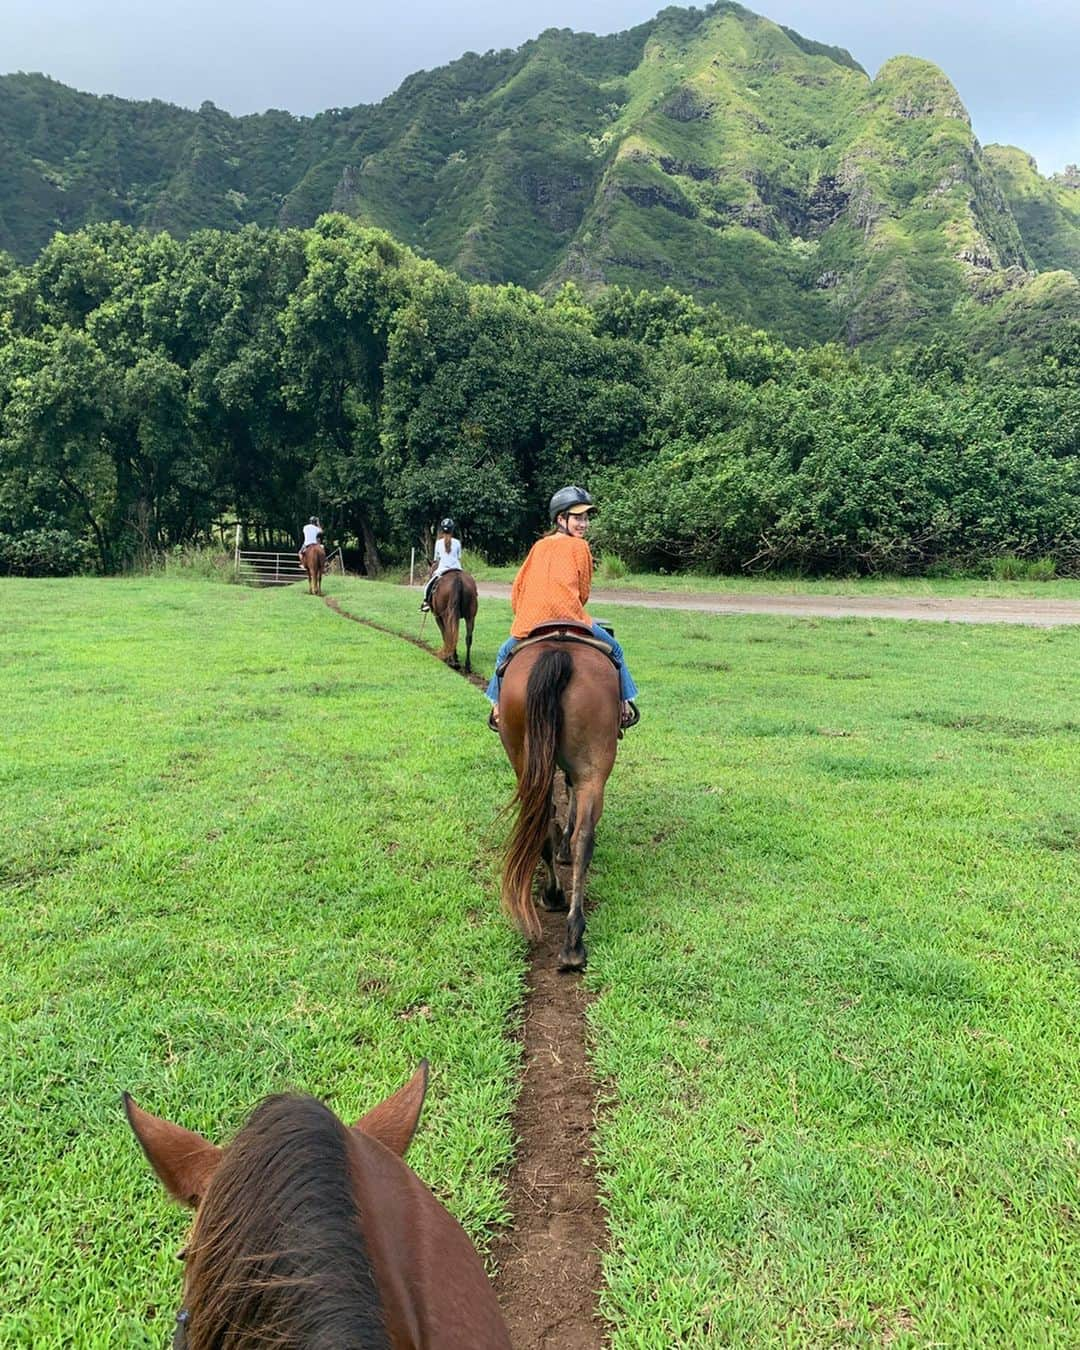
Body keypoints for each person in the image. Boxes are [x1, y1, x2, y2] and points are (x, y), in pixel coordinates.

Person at [486, 486, 638, 729]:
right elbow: (584, 591)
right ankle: (623, 706)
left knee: (504, 654)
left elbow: (518, 588)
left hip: (532, 624)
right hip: (572, 619)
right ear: (561, 518)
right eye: (578, 518)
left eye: (586, 518)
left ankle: (497, 707)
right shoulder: (581, 547)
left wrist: (525, 613)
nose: (584, 524)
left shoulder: (538, 546)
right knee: (616, 650)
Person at [420, 517, 463, 612]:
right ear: (452, 530)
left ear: (442, 530)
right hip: (457, 569)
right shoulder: (457, 542)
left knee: (428, 586)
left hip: (443, 569)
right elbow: (459, 558)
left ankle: (426, 603)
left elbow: (436, 559)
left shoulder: (439, 543)